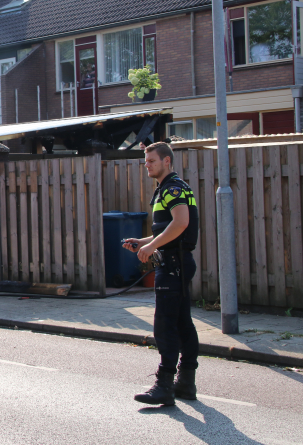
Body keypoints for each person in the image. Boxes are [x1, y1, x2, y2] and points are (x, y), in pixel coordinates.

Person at [123, 141, 200, 406]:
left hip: (173, 264)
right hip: (177, 262)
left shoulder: (173, 188)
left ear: (167, 161)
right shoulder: (167, 188)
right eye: (146, 161)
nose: (147, 165)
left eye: (152, 161)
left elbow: (181, 223)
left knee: (165, 324)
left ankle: (164, 385)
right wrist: (143, 242)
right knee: (182, 322)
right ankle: (186, 383)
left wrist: (152, 246)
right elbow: (167, 229)